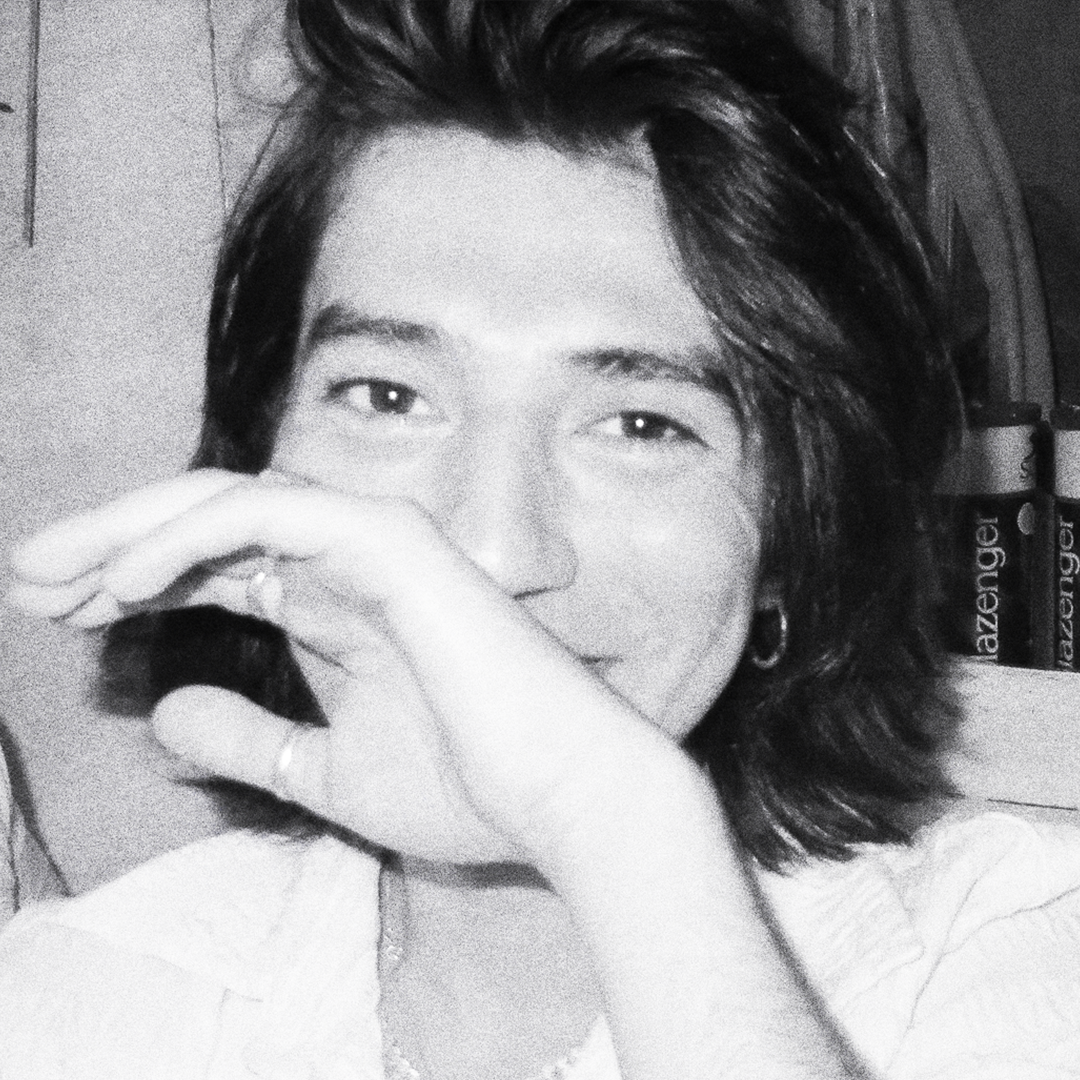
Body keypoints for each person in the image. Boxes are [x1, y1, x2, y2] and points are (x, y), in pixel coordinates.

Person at [2, 1, 1079, 1077]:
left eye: (643, 425)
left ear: (798, 539)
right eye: (386, 396)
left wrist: (615, 832)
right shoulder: (73, 1003)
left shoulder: (1020, 957)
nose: (491, 555)